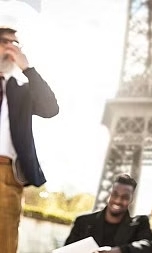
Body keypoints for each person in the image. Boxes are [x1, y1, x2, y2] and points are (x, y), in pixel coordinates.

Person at [0, 26, 59, 253]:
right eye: (5, 42)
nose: (11, 48)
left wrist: (28, 68)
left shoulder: (20, 90)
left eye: (16, 44)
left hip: (6, 174)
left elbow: (50, 108)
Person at [64, 174, 152, 253]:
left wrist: (119, 251)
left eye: (125, 197)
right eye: (115, 194)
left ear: (131, 200)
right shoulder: (82, 221)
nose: (118, 200)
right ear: (108, 195)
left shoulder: (140, 223)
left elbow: (148, 246)